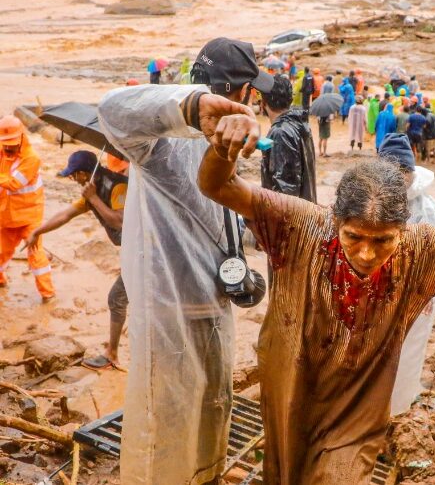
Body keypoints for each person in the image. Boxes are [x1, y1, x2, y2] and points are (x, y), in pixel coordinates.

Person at [195, 105, 435, 484]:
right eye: (354, 237)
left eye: (383, 240)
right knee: (284, 472)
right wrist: (222, 150)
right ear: (336, 220)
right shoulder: (299, 223)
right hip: (291, 383)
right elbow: (217, 186)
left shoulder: (422, 249)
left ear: (402, 230)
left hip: (359, 405)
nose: (367, 253)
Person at [97, 37, 275, 485]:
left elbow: (219, 215)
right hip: (168, 308)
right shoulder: (159, 143)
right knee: (164, 422)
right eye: (252, 90)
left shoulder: (228, 142)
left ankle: (207, 476)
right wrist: (192, 108)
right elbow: (112, 110)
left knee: (213, 407)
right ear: (239, 92)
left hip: (212, 300)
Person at [26, 150, 128, 369]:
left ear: (84, 173)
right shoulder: (92, 190)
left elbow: (119, 221)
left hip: (148, 251)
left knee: (116, 299)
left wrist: (93, 199)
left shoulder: (117, 185)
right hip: (134, 251)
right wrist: (38, 231)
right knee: (124, 299)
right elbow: (65, 215)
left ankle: (113, 355)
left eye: (74, 175)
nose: (73, 179)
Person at [375, 134, 435, 415]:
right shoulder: (372, 201)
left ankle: (394, 416)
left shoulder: (428, 211)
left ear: (410, 172)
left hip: (415, 302)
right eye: (390, 172)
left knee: (404, 361)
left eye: (402, 173)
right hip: (376, 299)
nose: (397, 179)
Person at [0, 115, 54, 302]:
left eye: (11, 144)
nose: (8, 148)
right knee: (1, 251)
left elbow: (14, 183)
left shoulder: (32, 159)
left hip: (30, 216)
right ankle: (0, 281)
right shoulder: (2, 151)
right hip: (6, 215)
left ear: (22, 137)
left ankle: (47, 293)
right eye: (5, 144)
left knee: (36, 255)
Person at [262, 75, 317, 201]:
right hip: (305, 213)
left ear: (263, 103)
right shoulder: (299, 123)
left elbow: (285, 195)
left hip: (292, 218)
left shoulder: (281, 132)